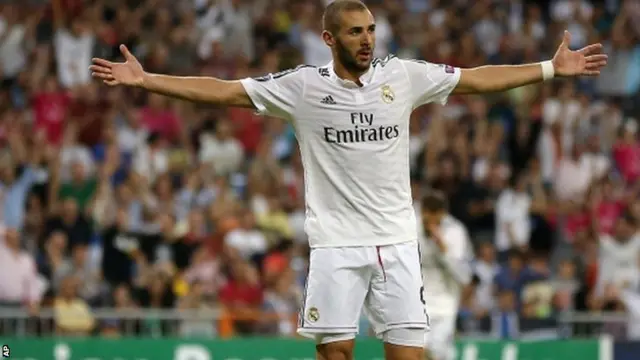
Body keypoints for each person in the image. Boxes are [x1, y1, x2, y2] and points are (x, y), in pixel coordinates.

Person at [90, 0, 607, 358]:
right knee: (335, 353)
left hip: (399, 243)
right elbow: (222, 90)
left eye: (371, 30)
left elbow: (474, 79)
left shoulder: (401, 76)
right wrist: (147, 79)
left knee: (409, 354)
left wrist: (547, 69)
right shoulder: (300, 88)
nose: (367, 39)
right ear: (328, 38)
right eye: (356, 32)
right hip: (336, 245)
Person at [419, 190, 472, 360]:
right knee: (417, 351)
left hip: (445, 304)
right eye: (427, 216)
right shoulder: (412, 228)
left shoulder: (456, 232)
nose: (431, 222)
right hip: (417, 302)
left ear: (443, 213)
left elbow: (464, 276)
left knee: (438, 353)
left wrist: (444, 250)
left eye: (436, 216)